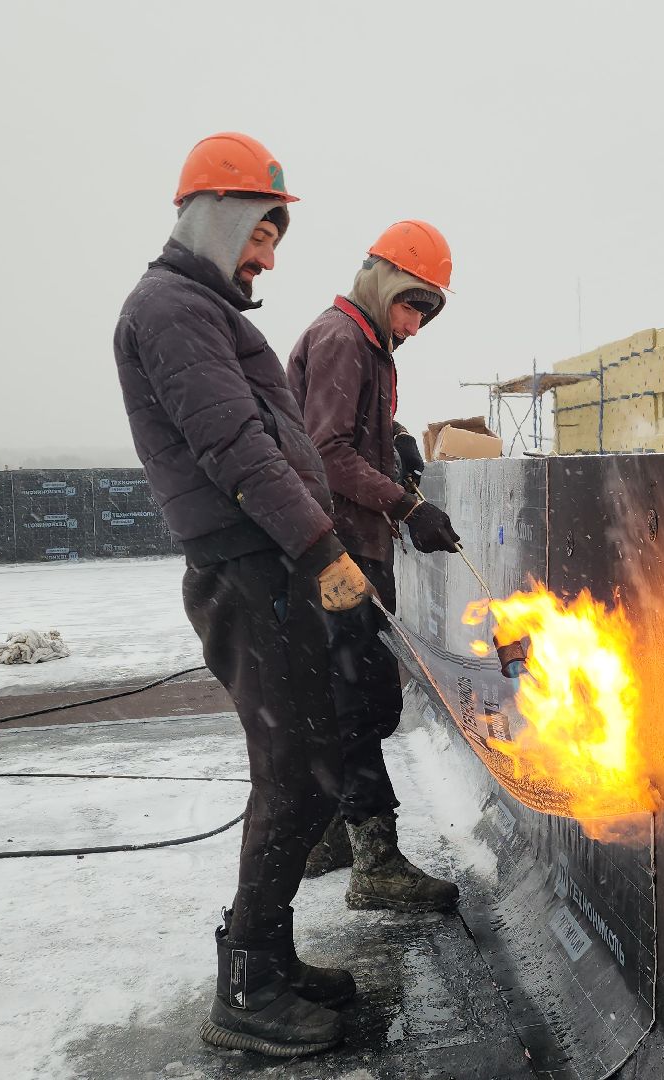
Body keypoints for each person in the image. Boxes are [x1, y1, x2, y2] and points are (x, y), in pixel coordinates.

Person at [112, 131, 366, 1058]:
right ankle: (247, 987)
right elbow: (233, 446)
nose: (268, 258)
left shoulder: (202, 310)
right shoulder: (171, 310)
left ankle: (271, 955)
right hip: (250, 569)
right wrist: (320, 545)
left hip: (271, 565)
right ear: (218, 215)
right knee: (293, 772)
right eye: (261, 234)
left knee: (314, 764)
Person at [287, 221, 463, 913]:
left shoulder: (370, 345)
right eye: (412, 306)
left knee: (366, 702)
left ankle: (333, 832)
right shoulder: (342, 339)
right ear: (384, 283)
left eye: (428, 313)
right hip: (335, 553)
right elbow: (326, 451)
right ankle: (376, 862)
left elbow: (353, 431)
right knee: (356, 705)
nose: (416, 326)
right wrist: (407, 505)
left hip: (354, 547)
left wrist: (397, 439)